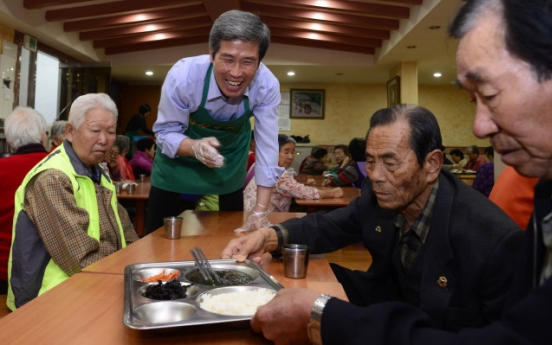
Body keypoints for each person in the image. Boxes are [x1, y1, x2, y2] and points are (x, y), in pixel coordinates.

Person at [222, 104, 523, 342]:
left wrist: (328, 319)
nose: (376, 175)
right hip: (383, 306)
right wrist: (267, 236)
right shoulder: (380, 197)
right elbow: (330, 226)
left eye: (390, 163)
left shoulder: (493, 240)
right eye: (371, 161)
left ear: (432, 164)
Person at [146, 10, 282, 234]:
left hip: (229, 167)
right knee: (157, 240)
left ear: (259, 62)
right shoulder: (184, 77)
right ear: (211, 53)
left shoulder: (266, 85)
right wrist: (194, 147)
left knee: (230, 240)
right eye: (227, 59)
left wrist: (260, 210)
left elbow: (267, 148)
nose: (236, 73)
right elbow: (165, 133)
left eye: (248, 62)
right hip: (176, 165)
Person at [6, 93, 139, 310]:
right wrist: (130, 276)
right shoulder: (53, 177)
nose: (104, 140)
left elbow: (125, 231)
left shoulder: (98, 172)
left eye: (111, 132)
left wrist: (141, 266)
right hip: (51, 301)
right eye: (95, 131)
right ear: (70, 132)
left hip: (92, 288)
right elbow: (79, 257)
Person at [0, 107, 49, 294]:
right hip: (50, 272)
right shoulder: (60, 166)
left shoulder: (1, 168)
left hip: (4, 272)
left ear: (10, 143)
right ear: (43, 136)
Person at [244, 134, 343, 212]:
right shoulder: (278, 173)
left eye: (293, 152)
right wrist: (332, 193)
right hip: (265, 221)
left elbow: (287, 181)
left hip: (250, 215)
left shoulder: (264, 166)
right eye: (286, 152)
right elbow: (306, 193)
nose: (291, 157)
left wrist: (302, 181)